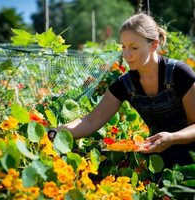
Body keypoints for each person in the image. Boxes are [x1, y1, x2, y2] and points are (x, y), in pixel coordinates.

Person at [48, 13, 195, 169]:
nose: (126, 55)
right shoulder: (125, 84)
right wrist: (54, 132)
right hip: (158, 160)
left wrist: (172, 138)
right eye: (123, 46)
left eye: (134, 47)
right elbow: (91, 121)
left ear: (153, 45)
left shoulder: (179, 73)